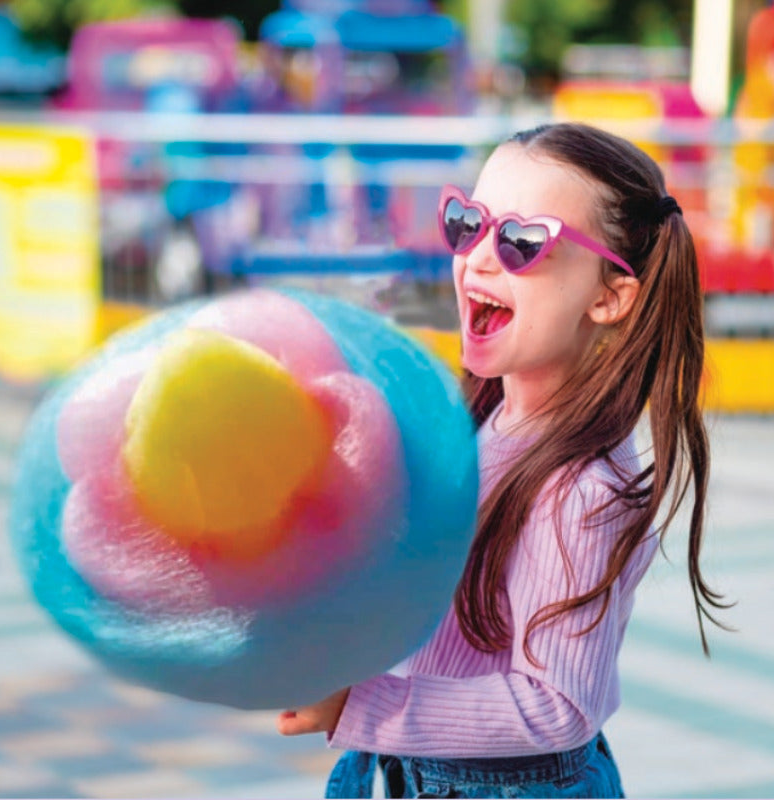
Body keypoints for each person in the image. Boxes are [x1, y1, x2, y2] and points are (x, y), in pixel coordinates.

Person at [276, 122, 726, 798]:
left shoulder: (581, 491)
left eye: (521, 241)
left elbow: (558, 708)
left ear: (609, 296)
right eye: (468, 223)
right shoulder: (488, 418)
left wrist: (358, 706)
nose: (479, 257)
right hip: (423, 769)